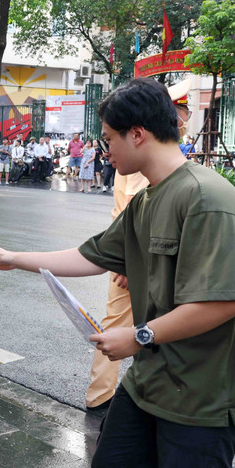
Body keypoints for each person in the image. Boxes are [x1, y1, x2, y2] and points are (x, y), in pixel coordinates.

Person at [0, 77, 235, 468]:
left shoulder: (208, 198)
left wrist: (138, 336)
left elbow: (227, 301)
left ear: (138, 134)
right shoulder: (146, 200)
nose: (104, 149)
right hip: (153, 382)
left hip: (205, 395)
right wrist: (12, 258)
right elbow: (92, 255)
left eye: (109, 138)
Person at [86, 80, 187, 415]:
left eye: (109, 139)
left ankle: (102, 394)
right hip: (134, 257)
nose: (107, 149)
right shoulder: (142, 164)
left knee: (128, 325)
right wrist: (128, 262)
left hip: (129, 253)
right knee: (124, 327)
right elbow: (133, 207)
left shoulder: (169, 172)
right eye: (180, 116)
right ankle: (101, 396)